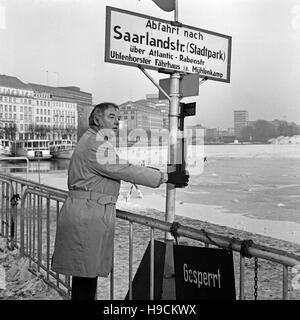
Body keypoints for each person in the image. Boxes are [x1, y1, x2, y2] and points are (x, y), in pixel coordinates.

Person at [51, 102, 189, 300]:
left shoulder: (93, 140)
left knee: (85, 276)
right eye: (111, 116)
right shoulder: (96, 144)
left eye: (118, 117)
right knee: (85, 278)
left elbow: (120, 167)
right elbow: (124, 169)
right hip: (87, 216)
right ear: (97, 119)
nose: (117, 122)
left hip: (87, 212)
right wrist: (165, 177)